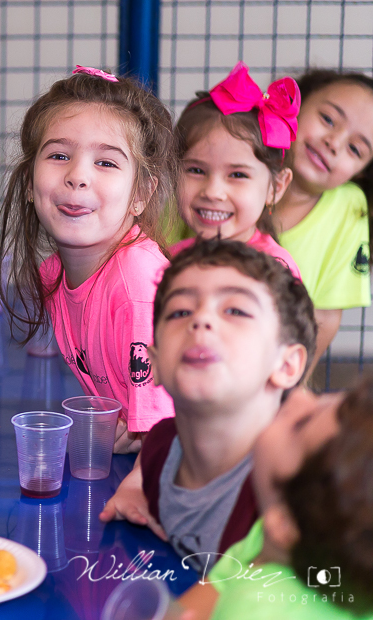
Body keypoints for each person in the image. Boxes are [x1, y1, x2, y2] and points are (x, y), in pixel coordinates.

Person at [100, 238, 316, 573]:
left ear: (286, 364)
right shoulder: (159, 452)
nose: (200, 320)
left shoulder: (295, 488)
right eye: (180, 311)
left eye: (235, 310)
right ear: (153, 362)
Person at [0, 65, 177, 453]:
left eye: (106, 162)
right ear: (29, 183)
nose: (77, 175)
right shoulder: (54, 275)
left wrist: (140, 441)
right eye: (59, 155)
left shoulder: (138, 285)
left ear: (142, 193)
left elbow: (169, 438)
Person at [179, 378, 373, 619]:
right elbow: (211, 592)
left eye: (301, 424)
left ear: (283, 524)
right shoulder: (276, 532)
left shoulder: (253, 610)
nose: (299, 395)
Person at [273, 69, 373, 368]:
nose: (333, 142)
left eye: (355, 149)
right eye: (328, 119)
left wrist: (294, 383)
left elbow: (326, 317)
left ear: (362, 171)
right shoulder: (236, 158)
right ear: (296, 104)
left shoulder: (349, 208)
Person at [171, 62, 301, 278]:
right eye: (196, 170)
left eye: (238, 175)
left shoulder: (272, 272)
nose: (212, 192)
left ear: (276, 187)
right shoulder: (169, 259)